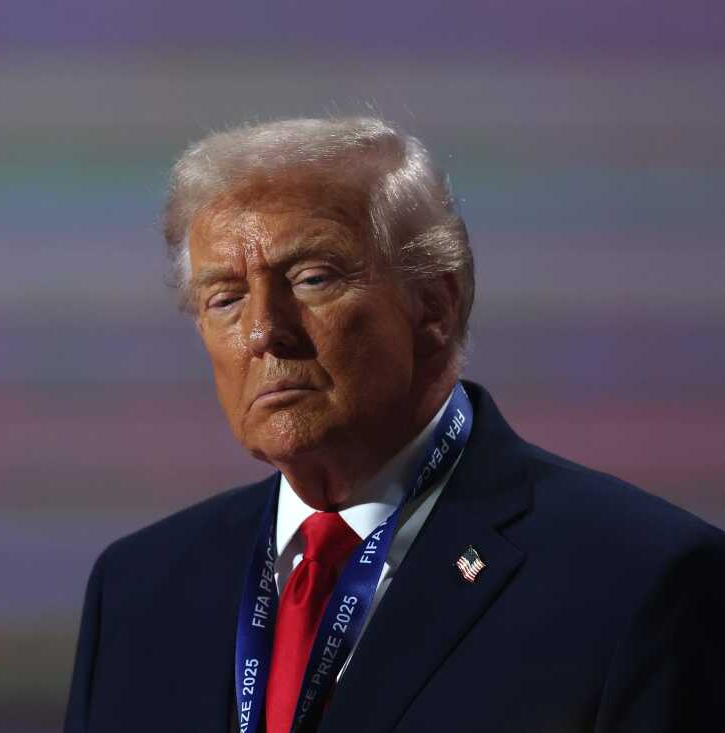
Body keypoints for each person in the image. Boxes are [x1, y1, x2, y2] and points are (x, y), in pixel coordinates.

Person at [63, 117, 725, 733]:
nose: (265, 330)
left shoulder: (641, 582)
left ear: (434, 302)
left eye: (313, 277)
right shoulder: (135, 592)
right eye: (226, 298)